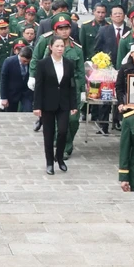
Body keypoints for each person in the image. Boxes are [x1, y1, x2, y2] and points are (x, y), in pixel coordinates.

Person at [33, 36, 78, 175]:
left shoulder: (69, 64)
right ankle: (49, 162)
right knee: (48, 133)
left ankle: (59, 156)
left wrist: (73, 104)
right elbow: (39, 86)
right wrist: (37, 106)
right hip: (48, 103)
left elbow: (71, 86)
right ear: (50, 47)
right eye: (57, 46)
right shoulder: (42, 64)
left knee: (63, 131)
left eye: (62, 46)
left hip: (64, 103)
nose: (60, 49)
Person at [0, 45, 33, 112]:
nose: (26, 63)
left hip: (26, 93)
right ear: (19, 55)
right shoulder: (9, 62)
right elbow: (3, 80)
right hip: (12, 93)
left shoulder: (32, 63)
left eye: (28, 61)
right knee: (11, 114)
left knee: (28, 111)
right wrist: (3, 97)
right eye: (24, 61)